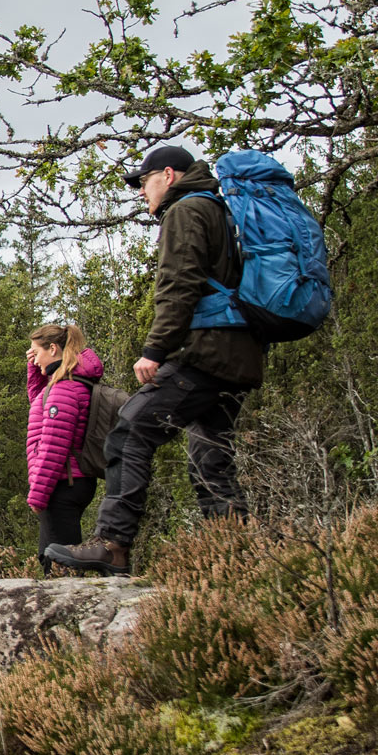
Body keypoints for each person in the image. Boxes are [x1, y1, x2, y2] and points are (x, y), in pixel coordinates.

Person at [47, 145, 264, 575]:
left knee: (129, 431)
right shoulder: (221, 211)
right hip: (240, 356)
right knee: (210, 457)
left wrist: (155, 350)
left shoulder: (186, 211)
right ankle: (240, 557)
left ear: (168, 175)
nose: (141, 191)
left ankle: (112, 545)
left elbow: (179, 285)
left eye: (144, 182)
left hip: (205, 354)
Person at [25, 322, 105, 575]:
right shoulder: (66, 383)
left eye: (36, 353)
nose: (34, 358)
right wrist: (34, 368)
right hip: (70, 480)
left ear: (52, 348)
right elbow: (39, 402)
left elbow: (53, 446)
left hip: (63, 483)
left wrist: (38, 494)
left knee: (58, 559)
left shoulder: (64, 388)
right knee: (54, 554)